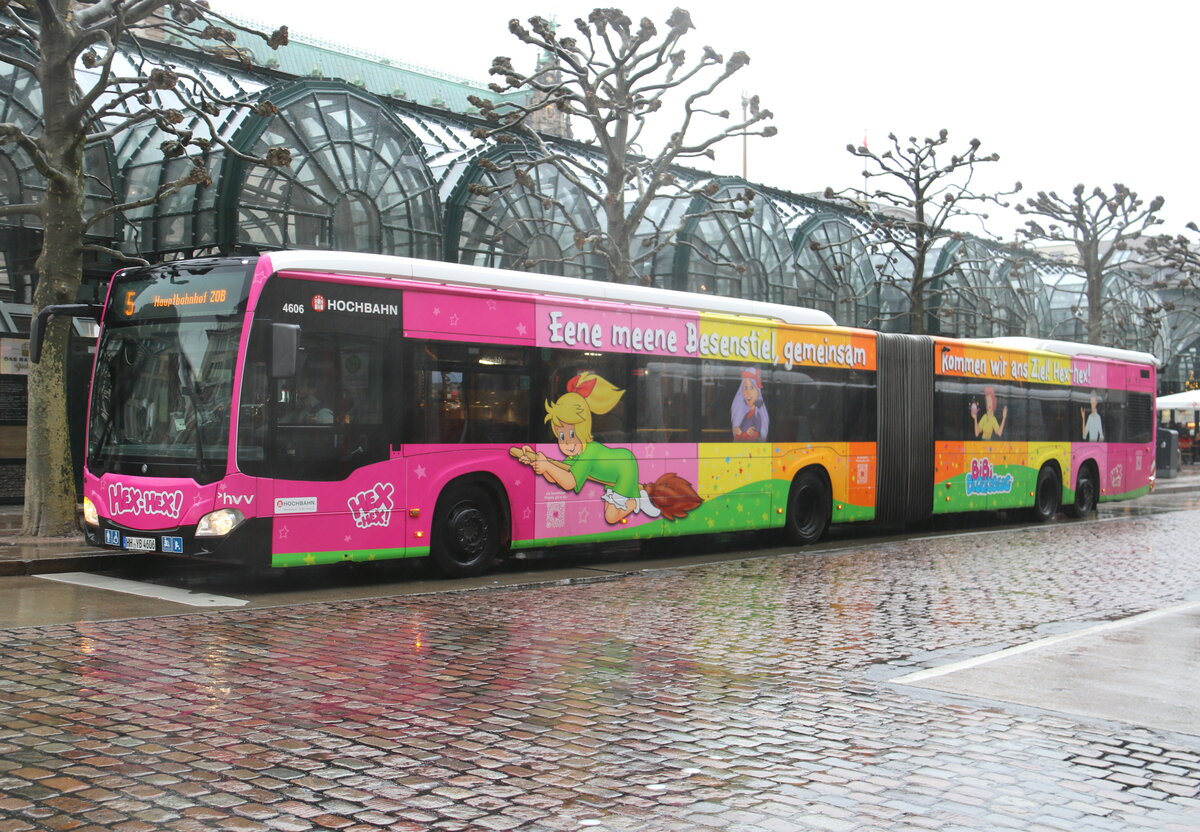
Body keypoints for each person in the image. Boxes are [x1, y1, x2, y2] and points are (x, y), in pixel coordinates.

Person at [731, 367, 769, 441]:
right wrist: (738, 432)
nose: (748, 392)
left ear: (758, 392)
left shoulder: (757, 416)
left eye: (751, 387)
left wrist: (741, 433)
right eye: (745, 388)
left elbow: (755, 438)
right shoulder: (746, 415)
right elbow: (738, 438)